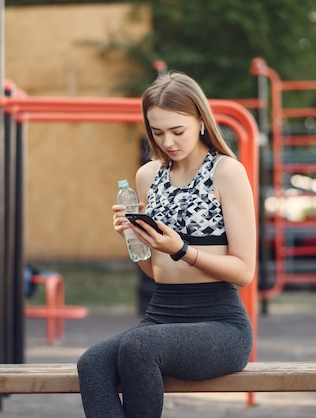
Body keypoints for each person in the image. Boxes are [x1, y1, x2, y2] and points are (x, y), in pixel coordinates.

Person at [77, 71, 256, 418]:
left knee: (139, 345)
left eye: (178, 131)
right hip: (162, 315)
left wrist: (182, 250)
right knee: (92, 363)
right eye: (157, 132)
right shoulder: (148, 176)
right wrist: (133, 238)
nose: (168, 141)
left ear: (201, 121)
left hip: (220, 324)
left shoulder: (226, 172)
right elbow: (155, 269)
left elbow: (244, 271)